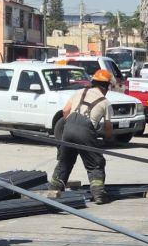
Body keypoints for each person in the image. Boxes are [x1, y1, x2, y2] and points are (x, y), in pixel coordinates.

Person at [49, 69, 114, 203]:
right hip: (86, 131)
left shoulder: (78, 92)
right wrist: (108, 138)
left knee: (65, 161)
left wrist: (70, 125)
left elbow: (65, 110)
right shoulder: (105, 102)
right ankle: (99, 194)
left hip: (68, 128)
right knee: (95, 163)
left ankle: (54, 189)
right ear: (106, 87)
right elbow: (108, 127)